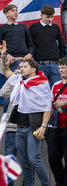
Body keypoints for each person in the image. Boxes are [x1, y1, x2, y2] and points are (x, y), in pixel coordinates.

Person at [0, 42, 51, 186]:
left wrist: (43, 127)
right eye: (20, 67)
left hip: (33, 126)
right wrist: (3, 55)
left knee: (34, 158)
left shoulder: (42, 84)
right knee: (25, 161)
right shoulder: (18, 80)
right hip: (19, 127)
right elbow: (6, 71)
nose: (21, 68)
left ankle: (46, 184)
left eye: (25, 67)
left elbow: (47, 107)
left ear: (33, 69)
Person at [29, 4, 64, 86]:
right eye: (48, 17)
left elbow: (62, 45)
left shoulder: (56, 27)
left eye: (52, 17)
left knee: (57, 88)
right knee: (41, 90)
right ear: (41, 15)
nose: (50, 19)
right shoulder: (33, 27)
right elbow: (29, 44)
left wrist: (61, 60)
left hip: (55, 64)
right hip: (40, 64)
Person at [0, 4, 34, 71]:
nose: (16, 12)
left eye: (16, 11)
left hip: (25, 61)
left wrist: (30, 54)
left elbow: (31, 45)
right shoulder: (2, 28)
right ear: (6, 14)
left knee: (27, 80)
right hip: (12, 62)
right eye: (12, 11)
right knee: (15, 80)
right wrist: (6, 55)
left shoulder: (23, 27)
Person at [47, 57, 67, 186]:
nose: (61, 69)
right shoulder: (55, 85)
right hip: (56, 127)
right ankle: (60, 182)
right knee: (53, 159)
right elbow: (52, 105)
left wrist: (64, 103)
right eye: (60, 67)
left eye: (64, 67)